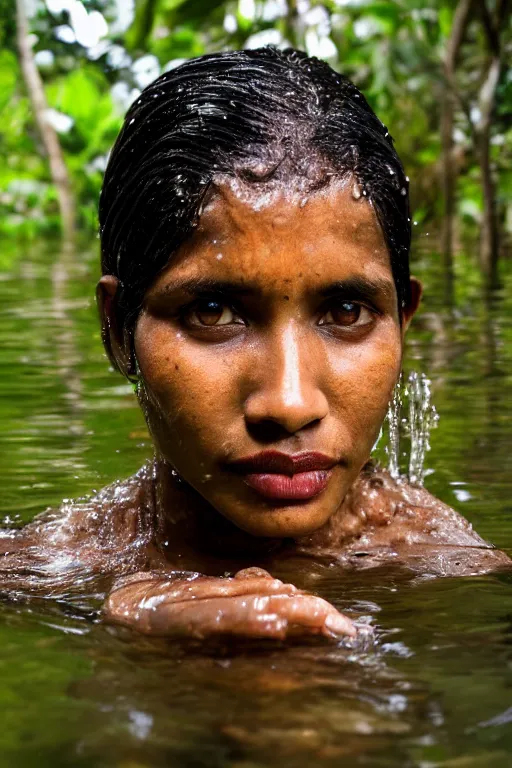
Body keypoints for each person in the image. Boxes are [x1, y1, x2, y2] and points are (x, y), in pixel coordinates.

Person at [1, 47, 509, 642]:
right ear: (118, 330)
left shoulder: (460, 574)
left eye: (347, 312)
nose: (289, 403)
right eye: (213, 312)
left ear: (404, 319)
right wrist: (120, 623)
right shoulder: (43, 571)